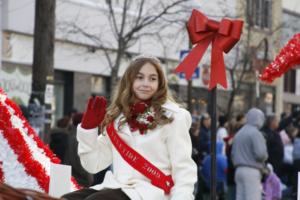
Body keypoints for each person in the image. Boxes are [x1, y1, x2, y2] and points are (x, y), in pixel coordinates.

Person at [62, 56, 197, 200]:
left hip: (153, 193)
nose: (146, 83)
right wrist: (88, 130)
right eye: (140, 77)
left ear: (160, 83)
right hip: (118, 188)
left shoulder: (173, 117)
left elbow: (184, 170)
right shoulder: (118, 118)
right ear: (130, 81)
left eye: (152, 79)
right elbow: (93, 165)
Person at [231, 108, 268, 200]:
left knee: (240, 197)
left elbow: (232, 154)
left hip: (238, 170)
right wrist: (265, 157)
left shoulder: (239, 133)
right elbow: (261, 154)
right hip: (252, 170)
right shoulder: (255, 133)